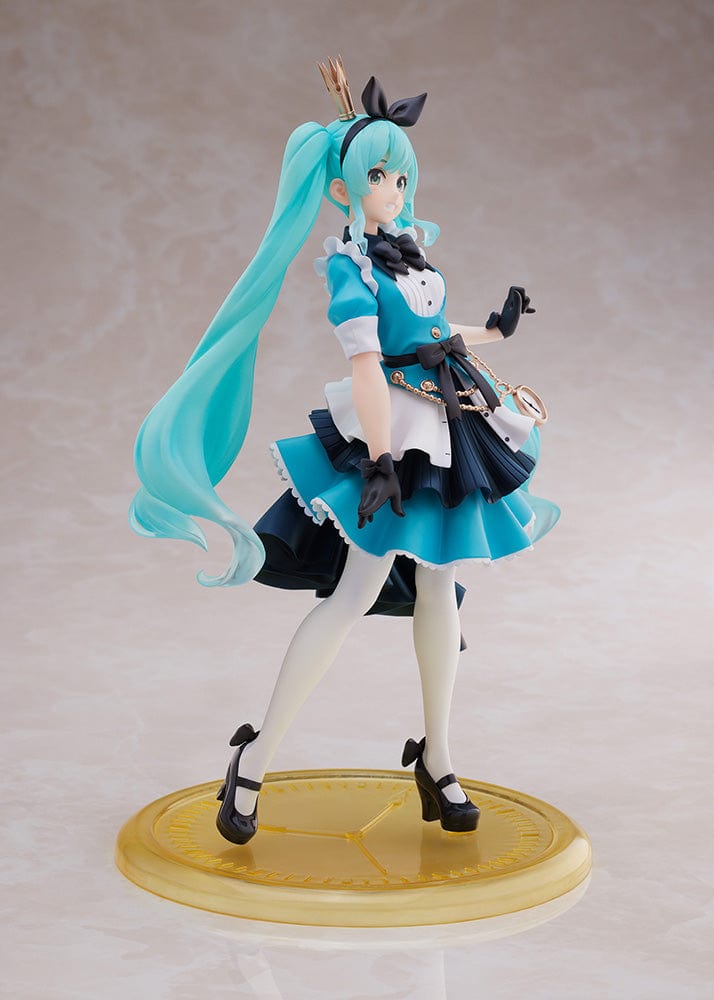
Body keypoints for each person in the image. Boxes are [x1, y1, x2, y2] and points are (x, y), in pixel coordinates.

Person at [129, 58, 559, 846]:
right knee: (354, 594)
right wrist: (382, 458)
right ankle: (255, 758)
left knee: (440, 588)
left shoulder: (412, 253)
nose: (394, 189)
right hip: (396, 431)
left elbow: (434, 335)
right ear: (344, 189)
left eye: (400, 175)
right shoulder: (350, 264)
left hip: (448, 419)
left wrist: (494, 329)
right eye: (378, 177)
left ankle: (439, 757)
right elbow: (367, 364)